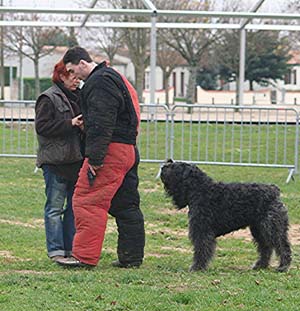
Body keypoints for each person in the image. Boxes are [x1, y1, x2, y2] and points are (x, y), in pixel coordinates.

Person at [56, 46, 145, 268]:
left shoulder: (99, 82)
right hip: (128, 149)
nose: (72, 76)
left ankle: (84, 257)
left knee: (87, 200)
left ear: (82, 63)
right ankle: (131, 257)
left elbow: (101, 124)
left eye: (72, 70)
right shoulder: (115, 76)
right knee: (126, 204)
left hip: (110, 152)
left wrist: (95, 159)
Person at [35, 60, 84, 263]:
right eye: (73, 76)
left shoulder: (79, 96)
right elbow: (42, 126)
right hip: (55, 162)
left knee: (73, 208)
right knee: (54, 208)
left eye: (79, 77)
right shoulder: (48, 98)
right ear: (62, 76)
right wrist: (69, 123)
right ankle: (56, 250)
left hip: (75, 161)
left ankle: (71, 248)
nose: (77, 81)